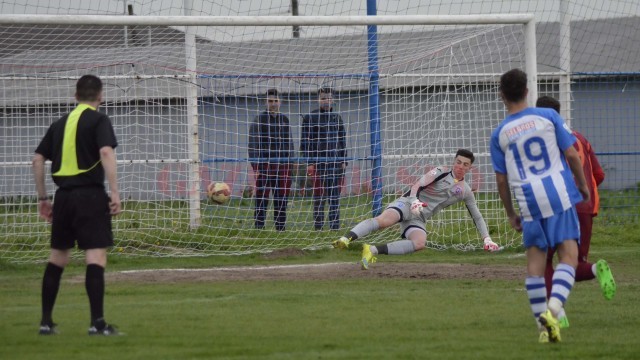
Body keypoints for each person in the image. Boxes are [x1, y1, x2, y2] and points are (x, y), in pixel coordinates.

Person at [490, 69, 590, 343]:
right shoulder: (548, 116)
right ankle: (553, 310)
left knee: (535, 267)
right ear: (526, 91)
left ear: (502, 96)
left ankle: (543, 330)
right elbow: (571, 154)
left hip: (528, 201)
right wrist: (582, 186)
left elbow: (501, 180)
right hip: (559, 195)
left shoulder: (499, 133)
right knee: (568, 256)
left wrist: (510, 212)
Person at [33, 74, 121, 336]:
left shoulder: (59, 123)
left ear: (75, 96)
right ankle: (97, 323)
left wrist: (43, 198)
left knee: (58, 258)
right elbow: (106, 152)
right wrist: (115, 192)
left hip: (63, 197)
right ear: (100, 97)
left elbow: (37, 159)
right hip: (90, 196)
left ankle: (46, 322)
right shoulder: (99, 119)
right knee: (95, 256)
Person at [333, 149, 500, 269]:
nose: (460, 166)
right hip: (407, 203)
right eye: (458, 162)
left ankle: (371, 250)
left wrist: (486, 238)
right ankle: (346, 239)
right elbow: (417, 185)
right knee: (384, 221)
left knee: (419, 243)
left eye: (465, 164)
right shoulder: (441, 171)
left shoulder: (465, 190)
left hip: (419, 218)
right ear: (453, 161)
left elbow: (477, 216)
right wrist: (414, 201)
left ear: (470, 168)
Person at [536, 96, 616, 329]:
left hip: (560, 206)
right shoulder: (581, 137)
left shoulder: (547, 139)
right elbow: (598, 175)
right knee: (573, 262)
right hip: (587, 206)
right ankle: (594, 268)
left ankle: (557, 314)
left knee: (544, 261)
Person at [300, 87, 348, 230]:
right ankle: (318, 227)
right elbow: (305, 142)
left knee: (334, 197)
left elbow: (342, 140)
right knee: (319, 197)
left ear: (332, 99)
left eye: (329, 98)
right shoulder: (310, 117)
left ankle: (335, 227)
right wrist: (310, 162)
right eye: (323, 98)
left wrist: (344, 160)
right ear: (318, 100)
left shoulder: (337, 117)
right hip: (318, 164)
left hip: (335, 163)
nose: (326, 101)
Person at [248, 89, 294, 231]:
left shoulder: (284, 120)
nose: (273, 104)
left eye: (275, 101)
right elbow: (253, 144)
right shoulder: (259, 120)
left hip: (282, 166)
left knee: (281, 198)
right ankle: (259, 227)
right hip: (264, 165)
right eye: (270, 101)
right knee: (262, 198)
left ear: (280, 102)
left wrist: (290, 163)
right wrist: (256, 167)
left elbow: (289, 143)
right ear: (265, 102)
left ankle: (280, 227)